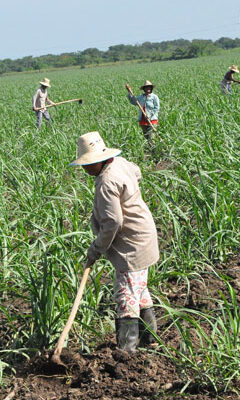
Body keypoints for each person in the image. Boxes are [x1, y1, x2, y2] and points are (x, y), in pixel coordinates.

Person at [69, 131, 161, 353]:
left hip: (131, 245)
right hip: (143, 234)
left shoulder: (106, 182)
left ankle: (126, 352)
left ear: (99, 161)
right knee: (139, 288)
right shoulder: (119, 163)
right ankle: (150, 339)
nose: (85, 169)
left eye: (87, 164)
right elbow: (137, 173)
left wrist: (96, 248)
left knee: (126, 296)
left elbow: (113, 222)